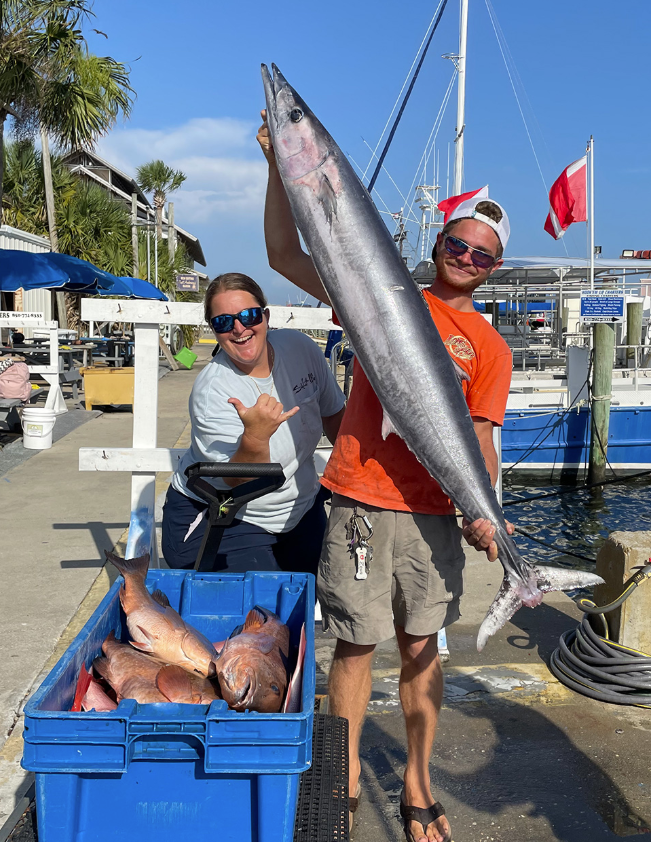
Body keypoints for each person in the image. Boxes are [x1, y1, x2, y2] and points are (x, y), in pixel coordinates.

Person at [258, 113, 513, 842]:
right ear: (437, 243)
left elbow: (484, 441)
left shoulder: (490, 348)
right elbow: (283, 251)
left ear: (493, 269)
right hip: (362, 502)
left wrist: (486, 509)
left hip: (437, 513)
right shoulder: (381, 290)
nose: (467, 257)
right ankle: (337, 790)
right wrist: (279, 166)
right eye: (459, 243)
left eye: (483, 255)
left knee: (421, 649)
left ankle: (417, 785)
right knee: (355, 647)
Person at [162, 272, 346, 575]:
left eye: (249, 315)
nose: (239, 328)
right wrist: (257, 435)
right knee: (258, 615)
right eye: (224, 322)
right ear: (214, 330)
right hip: (225, 514)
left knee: (301, 602)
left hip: (299, 507)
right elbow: (238, 483)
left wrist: (359, 479)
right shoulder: (213, 392)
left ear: (266, 316)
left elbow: (334, 415)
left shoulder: (300, 348)